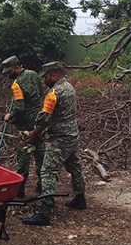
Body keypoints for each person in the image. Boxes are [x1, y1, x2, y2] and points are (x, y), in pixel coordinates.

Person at [22, 62, 86, 226]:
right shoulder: (69, 87)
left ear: (53, 75)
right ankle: (80, 198)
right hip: (72, 135)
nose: (45, 80)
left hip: (59, 139)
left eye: (46, 76)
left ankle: (45, 212)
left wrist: (36, 132)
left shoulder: (53, 93)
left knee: (48, 171)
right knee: (74, 166)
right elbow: (62, 114)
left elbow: (44, 117)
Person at [1, 56, 45, 198]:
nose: (8, 74)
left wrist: (10, 117)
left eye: (9, 71)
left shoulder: (16, 84)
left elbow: (19, 107)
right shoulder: (34, 74)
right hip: (38, 125)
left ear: (17, 67)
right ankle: (43, 187)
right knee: (40, 156)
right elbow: (41, 94)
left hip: (24, 128)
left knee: (23, 159)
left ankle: (19, 191)